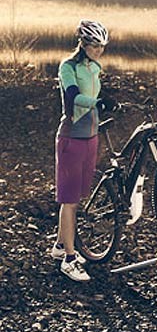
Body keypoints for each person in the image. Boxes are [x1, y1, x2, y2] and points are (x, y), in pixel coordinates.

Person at [51, 19, 113, 281]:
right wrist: (98, 102)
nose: (99, 50)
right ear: (83, 43)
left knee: (78, 196)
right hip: (71, 139)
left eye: (102, 46)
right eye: (94, 45)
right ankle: (69, 258)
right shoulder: (68, 67)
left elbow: (95, 95)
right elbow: (72, 98)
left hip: (91, 138)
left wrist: (108, 103)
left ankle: (58, 245)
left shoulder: (94, 67)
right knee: (70, 200)